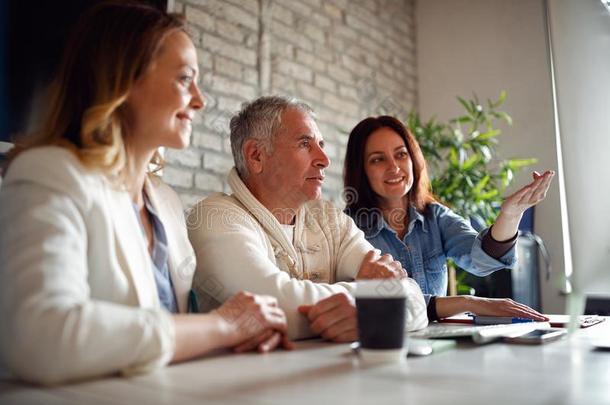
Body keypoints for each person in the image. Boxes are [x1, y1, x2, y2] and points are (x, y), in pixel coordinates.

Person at [0, 2, 290, 385]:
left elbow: (167, 334)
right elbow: (39, 338)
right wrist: (222, 327)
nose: (199, 100)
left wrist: (237, 332)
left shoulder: (165, 203)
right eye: (185, 79)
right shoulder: (48, 175)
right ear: (123, 80)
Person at [188, 96, 428, 342]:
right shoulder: (215, 218)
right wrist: (371, 301)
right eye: (305, 144)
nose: (324, 159)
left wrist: (369, 315)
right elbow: (277, 310)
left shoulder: (330, 220)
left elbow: (414, 297)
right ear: (256, 155)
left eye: (321, 144)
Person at [343, 115, 554, 321]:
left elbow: (481, 260)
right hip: (383, 344)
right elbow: (385, 305)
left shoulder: (436, 216)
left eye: (401, 154)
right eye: (378, 159)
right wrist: (468, 303)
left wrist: (511, 215)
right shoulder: (347, 228)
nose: (394, 167)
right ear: (361, 170)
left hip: (438, 342)